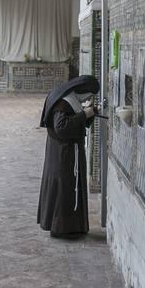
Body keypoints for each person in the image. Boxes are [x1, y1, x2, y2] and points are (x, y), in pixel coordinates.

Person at [37, 74, 100, 238]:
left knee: (69, 188)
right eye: (88, 95)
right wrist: (84, 115)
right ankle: (62, 228)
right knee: (64, 189)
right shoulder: (64, 102)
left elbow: (76, 122)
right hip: (63, 154)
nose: (87, 99)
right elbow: (61, 127)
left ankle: (71, 226)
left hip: (65, 152)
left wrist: (89, 114)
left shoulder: (68, 98)